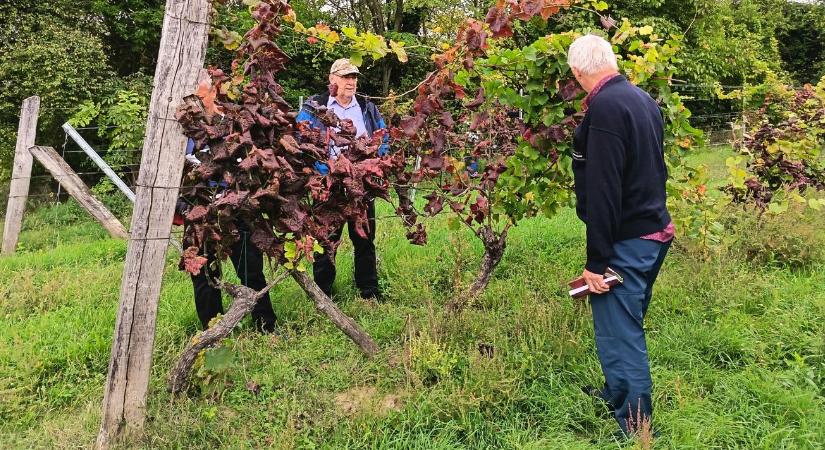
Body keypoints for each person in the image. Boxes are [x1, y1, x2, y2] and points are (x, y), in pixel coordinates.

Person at [568, 34, 675, 438]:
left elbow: (604, 190)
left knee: (620, 332)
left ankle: (635, 427)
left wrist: (597, 262)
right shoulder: (641, 99)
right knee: (625, 321)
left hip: (629, 239)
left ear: (578, 71)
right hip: (653, 229)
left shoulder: (607, 109)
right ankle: (618, 392)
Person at [295, 58, 389, 300]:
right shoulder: (315, 105)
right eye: (346, 77)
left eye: (354, 77)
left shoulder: (367, 107)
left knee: (365, 238)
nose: (351, 82)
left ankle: (369, 291)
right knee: (326, 239)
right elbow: (300, 139)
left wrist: (373, 165)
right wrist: (323, 171)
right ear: (332, 79)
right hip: (329, 185)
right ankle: (323, 294)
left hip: (361, 184)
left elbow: (382, 137)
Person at [176, 139, 277, 333]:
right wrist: (185, 207)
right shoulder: (177, 134)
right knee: (204, 277)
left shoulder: (227, 123)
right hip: (198, 214)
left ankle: (266, 326)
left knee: (251, 270)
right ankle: (213, 333)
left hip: (235, 210)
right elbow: (164, 179)